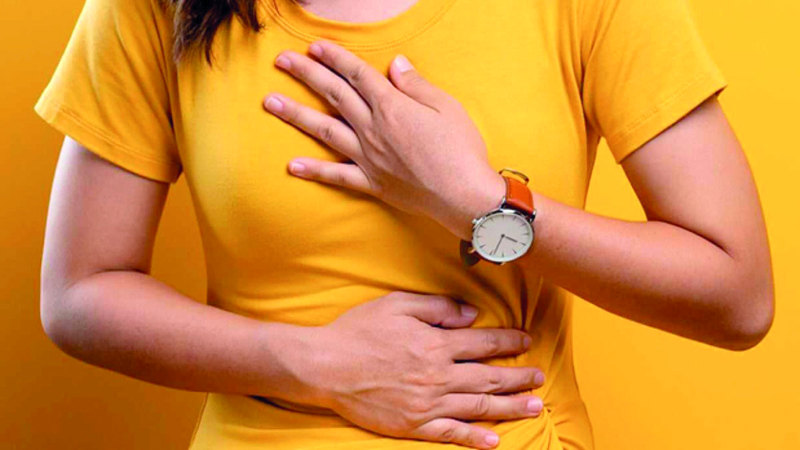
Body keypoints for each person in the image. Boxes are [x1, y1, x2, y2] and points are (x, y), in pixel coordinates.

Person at [34, 0, 774, 449]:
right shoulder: (153, 9)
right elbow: (80, 293)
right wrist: (314, 364)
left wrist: (477, 201)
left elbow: (738, 298)